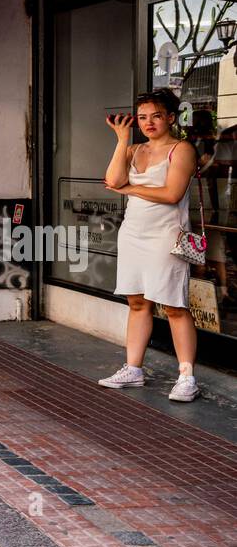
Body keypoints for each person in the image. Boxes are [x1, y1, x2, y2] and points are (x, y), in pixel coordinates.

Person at [100, 88, 200, 402]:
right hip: (133, 233)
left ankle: (187, 376)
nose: (148, 122)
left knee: (173, 306)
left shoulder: (181, 149)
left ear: (170, 117)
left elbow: (172, 195)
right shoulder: (134, 150)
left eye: (156, 115)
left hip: (166, 236)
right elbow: (113, 181)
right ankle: (133, 368)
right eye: (142, 117)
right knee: (137, 303)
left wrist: (131, 188)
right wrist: (121, 140)